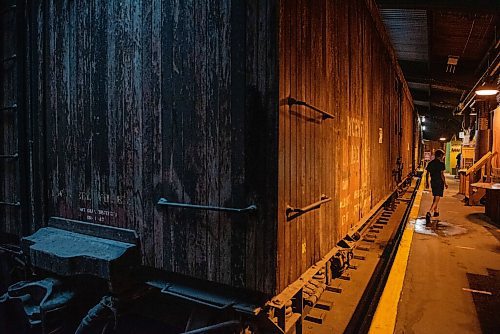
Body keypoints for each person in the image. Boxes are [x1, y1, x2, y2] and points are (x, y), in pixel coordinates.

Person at [425, 149, 448, 223]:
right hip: (439, 182)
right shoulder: (441, 164)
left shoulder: (430, 163)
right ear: (440, 156)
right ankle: (430, 212)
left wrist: (427, 183)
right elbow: (442, 175)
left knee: (435, 196)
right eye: (442, 155)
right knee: (437, 197)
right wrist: (445, 183)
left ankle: (436, 211)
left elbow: (427, 174)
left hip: (433, 182)